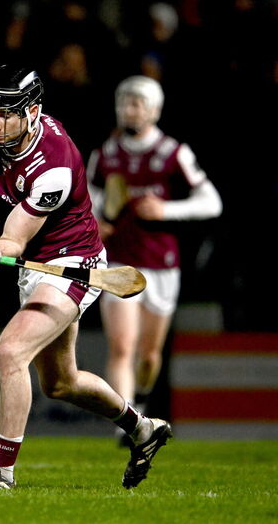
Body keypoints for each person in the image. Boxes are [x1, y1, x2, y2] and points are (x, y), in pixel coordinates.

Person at [0, 64, 171, 490]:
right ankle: (143, 428)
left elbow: (14, 238)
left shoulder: (55, 165)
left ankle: (3, 473)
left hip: (72, 263)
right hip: (38, 266)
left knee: (11, 352)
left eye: (6, 113)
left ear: (32, 112)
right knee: (61, 383)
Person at [86, 75, 222, 438]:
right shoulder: (105, 154)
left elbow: (211, 202)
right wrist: (96, 221)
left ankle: (141, 400)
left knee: (148, 355)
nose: (129, 110)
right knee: (121, 346)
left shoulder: (174, 153)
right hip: (118, 261)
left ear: (154, 110)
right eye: (125, 102)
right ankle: (126, 425)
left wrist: (166, 210)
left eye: (137, 104)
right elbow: (87, 198)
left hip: (162, 263)